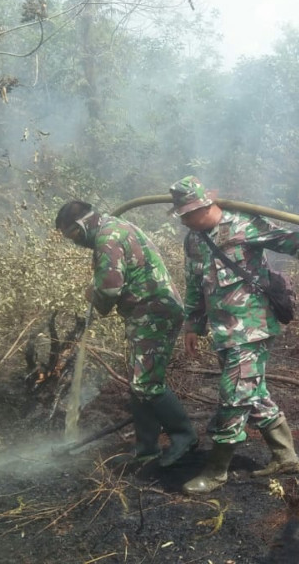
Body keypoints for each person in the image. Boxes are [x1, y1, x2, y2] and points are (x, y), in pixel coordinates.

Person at [168, 176, 299, 495]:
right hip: (223, 330)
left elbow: (289, 240)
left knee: (233, 394)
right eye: (182, 215)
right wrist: (193, 325)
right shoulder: (194, 240)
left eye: (189, 213)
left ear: (205, 205)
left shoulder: (243, 224)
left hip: (251, 328)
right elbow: (194, 284)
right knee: (252, 391)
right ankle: (286, 457)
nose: (185, 220)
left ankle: (216, 471)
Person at [55, 200, 198, 468]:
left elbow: (109, 289)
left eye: (73, 234)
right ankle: (147, 449)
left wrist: (93, 295)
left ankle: (184, 435)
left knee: (146, 383)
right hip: (146, 312)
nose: (74, 242)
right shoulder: (113, 227)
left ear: (82, 224)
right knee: (138, 381)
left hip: (154, 312)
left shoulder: (107, 237)